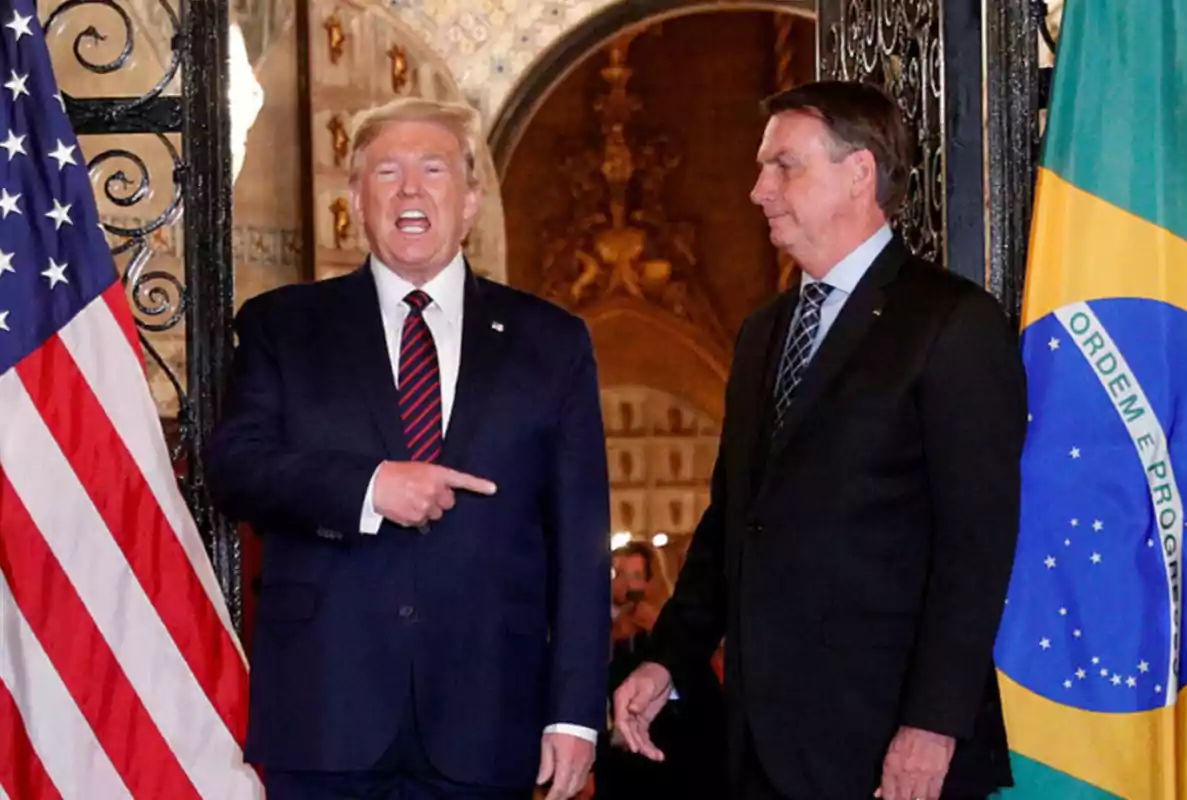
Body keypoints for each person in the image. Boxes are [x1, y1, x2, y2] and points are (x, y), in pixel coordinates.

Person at [613, 80, 1027, 800]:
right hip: (761, 749)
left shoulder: (951, 323)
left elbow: (977, 545)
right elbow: (734, 521)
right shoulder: (761, 333)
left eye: (783, 166)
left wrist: (933, 723)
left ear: (859, 172)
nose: (757, 190)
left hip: (890, 751)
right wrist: (668, 659)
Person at [205, 96, 611, 800]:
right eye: (386, 172)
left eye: (433, 168)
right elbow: (235, 467)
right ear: (357, 201)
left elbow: (582, 543)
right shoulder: (283, 326)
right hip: (326, 713)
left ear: (472, 199)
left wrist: (575, 714)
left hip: (490, 715)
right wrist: (368, 488)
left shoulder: (553, 342)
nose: (411, 189)